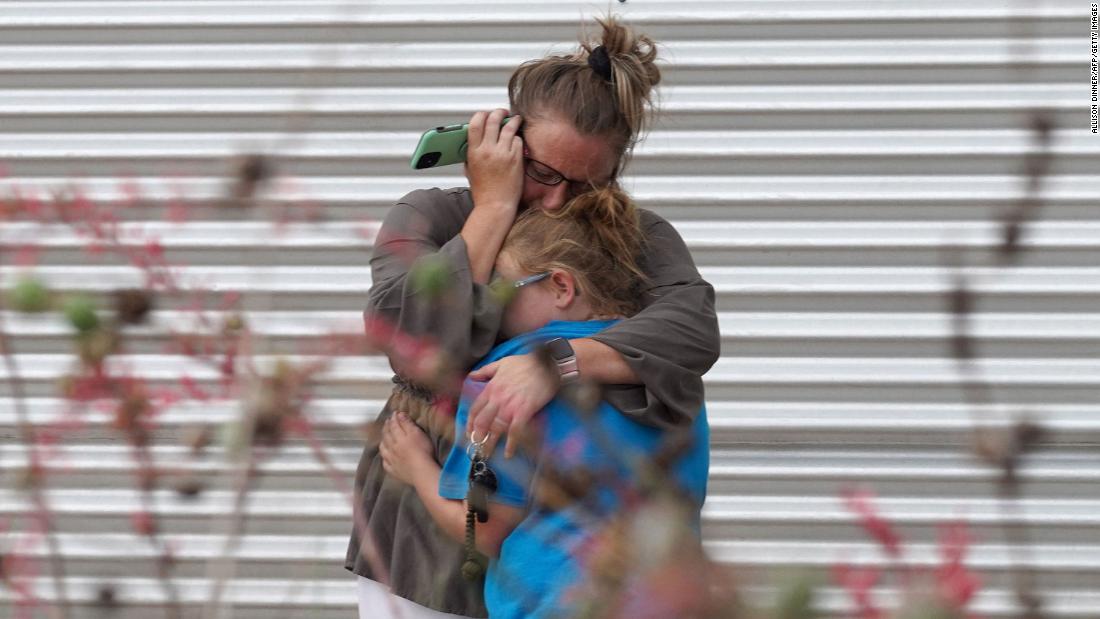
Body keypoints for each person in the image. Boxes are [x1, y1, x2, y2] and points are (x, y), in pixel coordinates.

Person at [346, 15, 720, 619]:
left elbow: (692, 326)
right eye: (542, 172)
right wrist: (492, 207)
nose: (553, 200)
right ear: (506, 136)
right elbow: (404, 333)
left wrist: (557, 363)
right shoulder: (431, 216)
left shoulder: (633, 236)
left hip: (565, 561)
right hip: (426, 543)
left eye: (584, 185)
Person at [378, 187, 710, 619]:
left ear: (560, 286)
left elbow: (487, 534)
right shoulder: (668, 368)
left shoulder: (503, 377)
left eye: (502, 286)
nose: (490, 305)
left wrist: (416, 467)